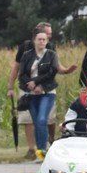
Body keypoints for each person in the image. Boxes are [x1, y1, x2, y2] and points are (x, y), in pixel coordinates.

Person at [17, 27, 60, 157]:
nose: (41, 42)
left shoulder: (52, 55)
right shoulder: (26, 55)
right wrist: (30, 85)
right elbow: (22, 74)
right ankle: (40, 151)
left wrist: (37, 83)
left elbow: (52, 72)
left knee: (42, 119)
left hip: (47, 92)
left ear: (47, 41)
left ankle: (43, 150)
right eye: (39, 39)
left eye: (44, 39)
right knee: (36, 122)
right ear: (34, 41)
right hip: (30, 93)